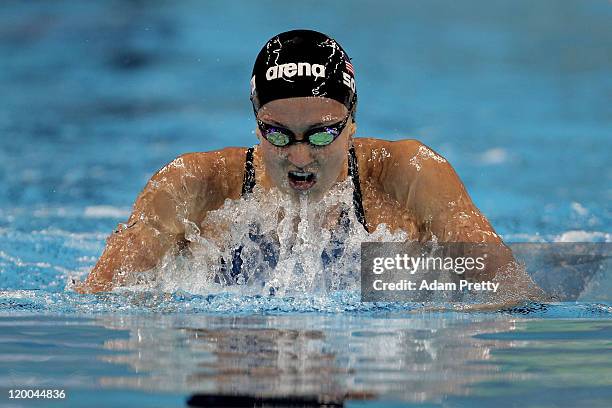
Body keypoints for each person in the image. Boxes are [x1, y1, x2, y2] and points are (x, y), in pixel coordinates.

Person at [78, 29, 541, 300]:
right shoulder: (193, 186)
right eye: (277, 134)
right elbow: (101, 300)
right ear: (255, 125)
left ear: (353, 122)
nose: (300, 158)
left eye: (322, 134)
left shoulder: (408, 175)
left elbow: (506, 287)